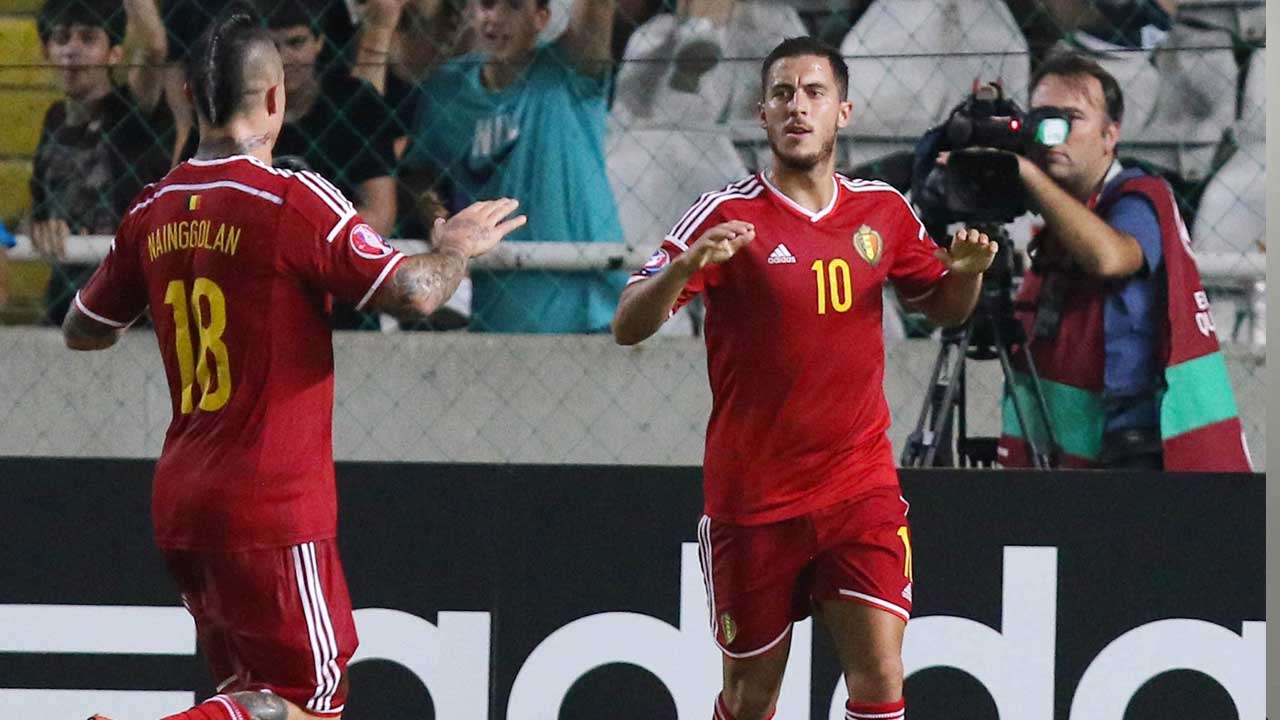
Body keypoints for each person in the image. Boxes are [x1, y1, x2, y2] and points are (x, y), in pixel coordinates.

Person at [65, 5, 524, 719]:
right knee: (308, 703)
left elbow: (83, 328)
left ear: (190, 95)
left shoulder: (152, 209)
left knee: (248, 696)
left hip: (183, 500)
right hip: (268, 504)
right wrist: (457, 247)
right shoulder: (290, 199)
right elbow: (415, 293)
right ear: (275, 98)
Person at [612, 36, 996, 720]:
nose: (798, 107)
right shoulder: (725, 215)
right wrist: (681, 267)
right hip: (753, 501)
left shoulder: (883, 212)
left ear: (843, 111)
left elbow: (941, 308)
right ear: (761, 114)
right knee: (750, 697)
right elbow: (628, 324)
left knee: (880, 677)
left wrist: (964, 276)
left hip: (859, 488)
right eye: (783, 93)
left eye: (814, 93)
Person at [995, 52, 1251, 471]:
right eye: (1042, 118)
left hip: (1147, 447)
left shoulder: (1141, 195)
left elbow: (1110, 257)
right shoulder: (1058, 226)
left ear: (1110, 135)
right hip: (1083, 446)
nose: (1053, 134)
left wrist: (1026, 173)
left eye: (1071, 118)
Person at [400, 0, 626, 332]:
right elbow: (418, 174)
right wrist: (439, 220)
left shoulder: (570, 69)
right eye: (487, 4)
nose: (496, 18)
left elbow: (598, 8)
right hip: (501, 299)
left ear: (541, 17)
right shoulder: (447, 89)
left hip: (590, 300)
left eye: (515, 6)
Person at [29, 0, 172, 325]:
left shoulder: (133, 111)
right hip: (67, 297)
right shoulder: (54, 120)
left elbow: (153, 48)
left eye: (88, 38)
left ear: (115, 54)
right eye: (61, 38)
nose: (72, 50)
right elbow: (39, 205)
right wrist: (42, 227)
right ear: (46, 51)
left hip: (133, 302)